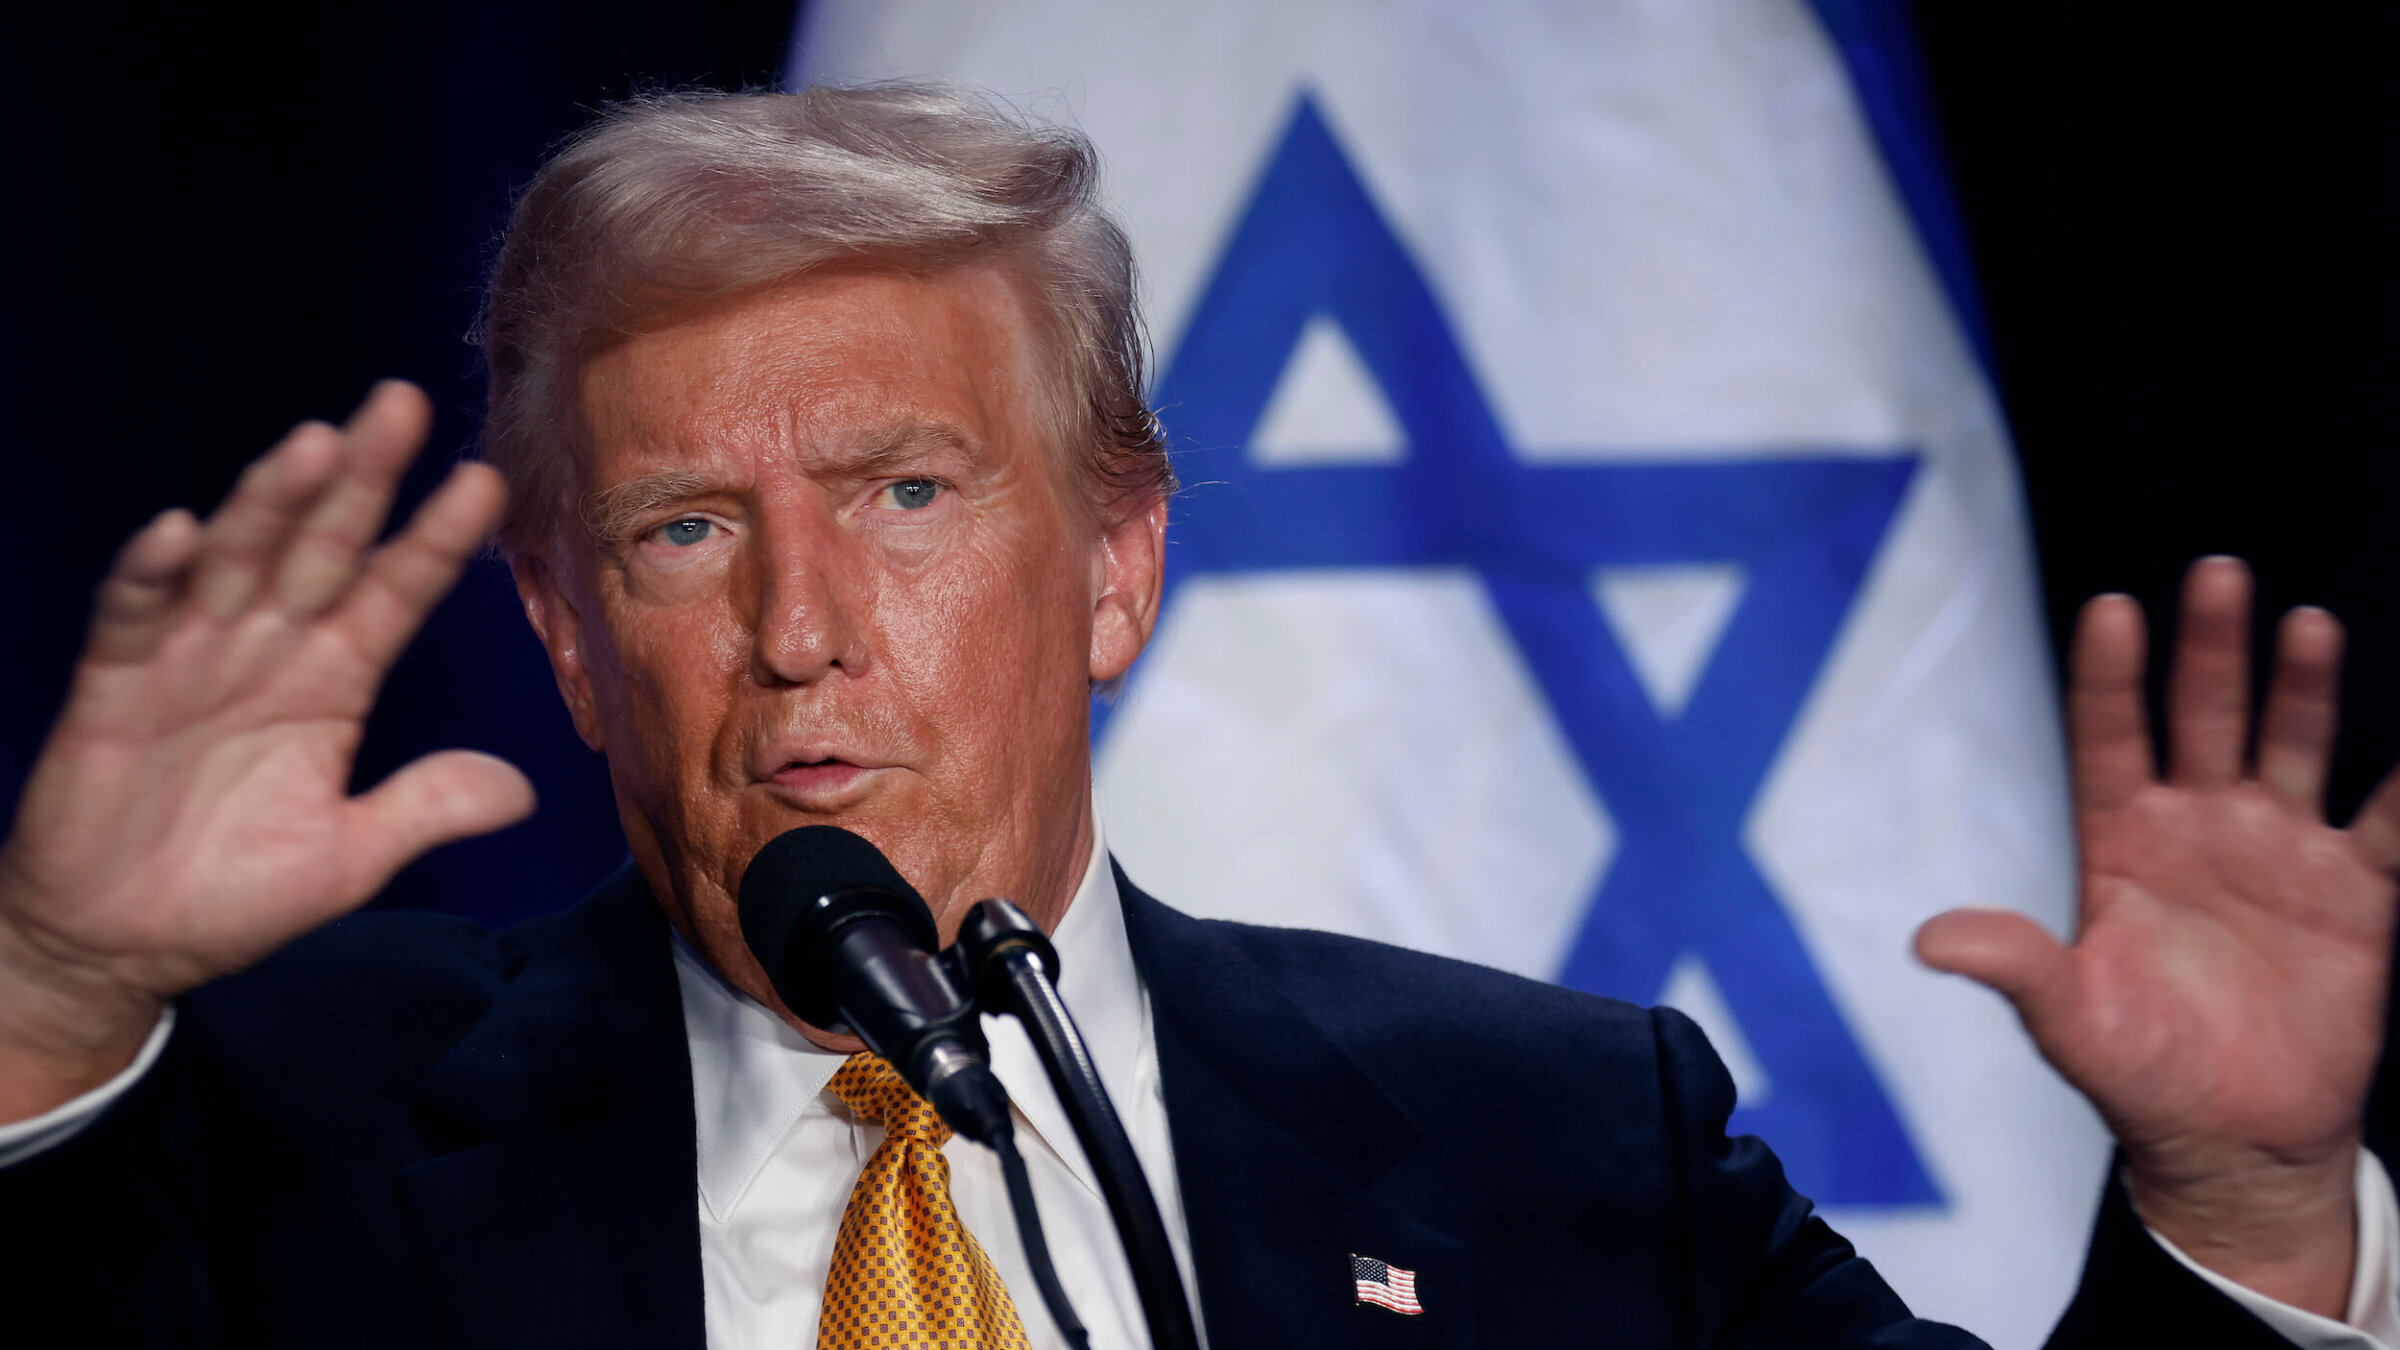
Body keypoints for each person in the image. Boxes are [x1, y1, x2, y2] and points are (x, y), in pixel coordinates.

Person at [2, 84, 2396, 1348]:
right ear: (559, 626)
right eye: (682, 533)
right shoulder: (270, 1137)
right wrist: (45, 1001)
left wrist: (2250, 1208)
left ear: (1120, 559)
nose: (802, 629)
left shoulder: (1561, 1149)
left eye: (906, 491)